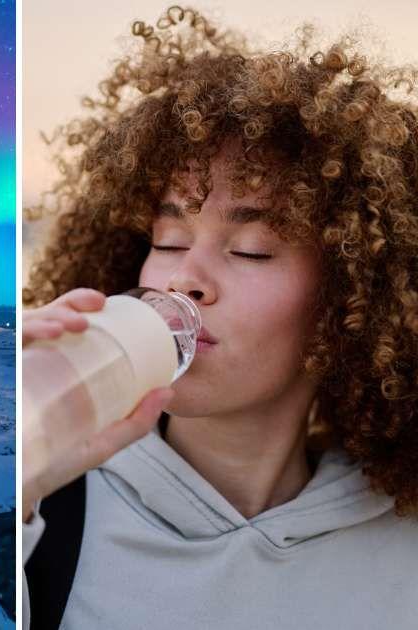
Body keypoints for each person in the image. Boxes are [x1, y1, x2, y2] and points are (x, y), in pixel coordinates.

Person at [22, 7, 418, 629]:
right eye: (170, 240)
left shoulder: (402, 550)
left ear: (351, 297)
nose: (185, 279)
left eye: (250, 251)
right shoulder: (46, 510)